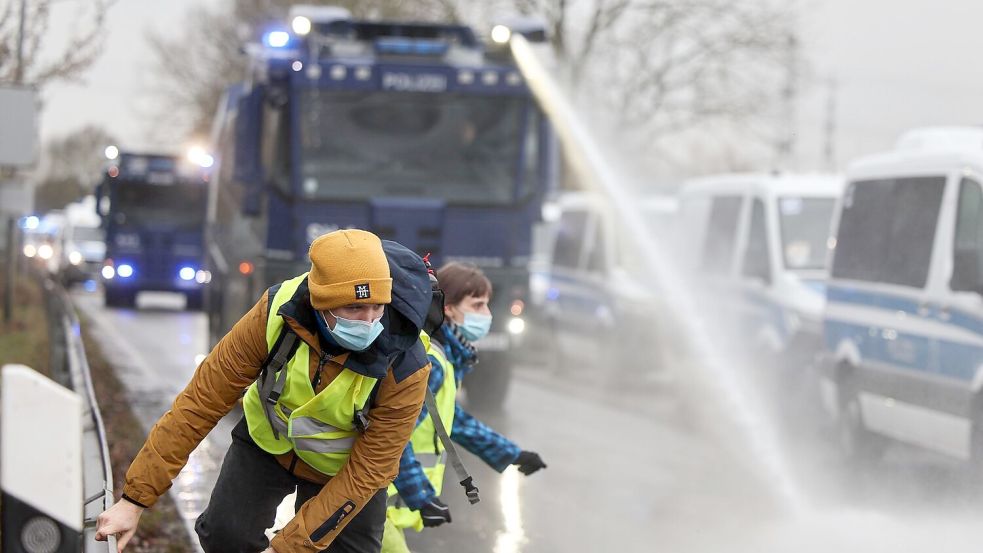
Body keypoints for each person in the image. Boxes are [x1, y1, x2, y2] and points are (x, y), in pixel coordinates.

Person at [95, 229, 435, 553]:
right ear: (320, 303)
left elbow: (369, 470)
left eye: (377, 307)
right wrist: (134, 500)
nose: (368, 321)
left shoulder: (407, 364)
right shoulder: (276, 312)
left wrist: (285, 547)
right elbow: (201, 401)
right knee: (225, 536)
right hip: (268, 445)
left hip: (345, 472)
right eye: (354, 309)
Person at [381, 262, 547, 552]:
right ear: (448, 309)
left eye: (487, 304)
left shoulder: (445, 357)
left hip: (387, 502)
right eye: (477, 305)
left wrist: (511, 454)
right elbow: (392, 437)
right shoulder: (434, 363)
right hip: (380, 500)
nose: (487, 314)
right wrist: (420, 496)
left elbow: (452, 420)